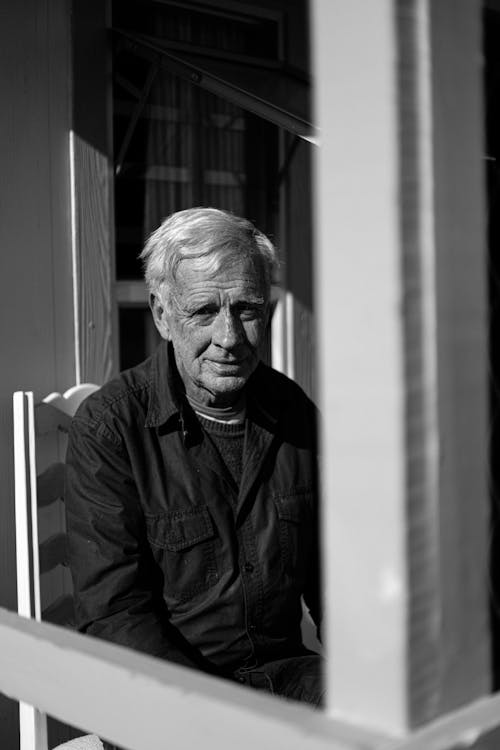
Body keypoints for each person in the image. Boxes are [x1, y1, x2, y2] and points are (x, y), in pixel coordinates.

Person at [65, 207, 323, 706]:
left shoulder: (294, 412)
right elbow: (114, 618)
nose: (229, 338)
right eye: (204, 311)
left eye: (247, 309)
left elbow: (335, 579)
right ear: (163, 315)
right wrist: (208, 719)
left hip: (286, 681)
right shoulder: (110, 430)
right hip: (168, 697)